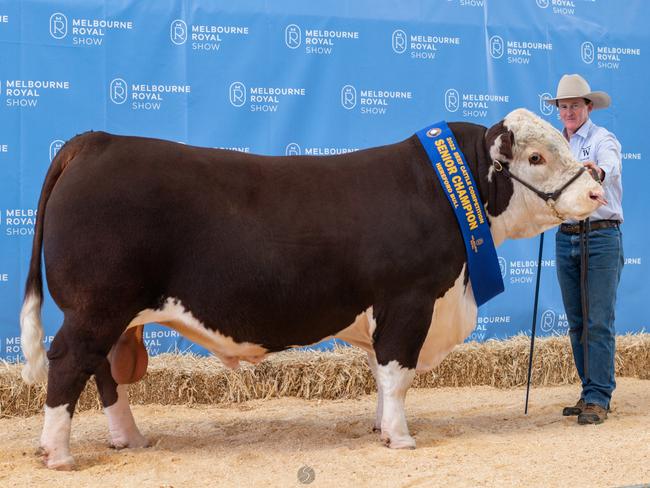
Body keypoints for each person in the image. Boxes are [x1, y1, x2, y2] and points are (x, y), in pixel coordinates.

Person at [545, 74, 624, 425]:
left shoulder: (602, 139)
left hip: (601, 235)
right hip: (566, 234)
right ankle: (588, 390)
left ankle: (598, 395)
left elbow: (610, 165)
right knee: (577, 321)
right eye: (564, 106)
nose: (569, 111)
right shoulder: (555, 147)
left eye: (575, 105)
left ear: (588, 107)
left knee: (597, 320)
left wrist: (599, 171)